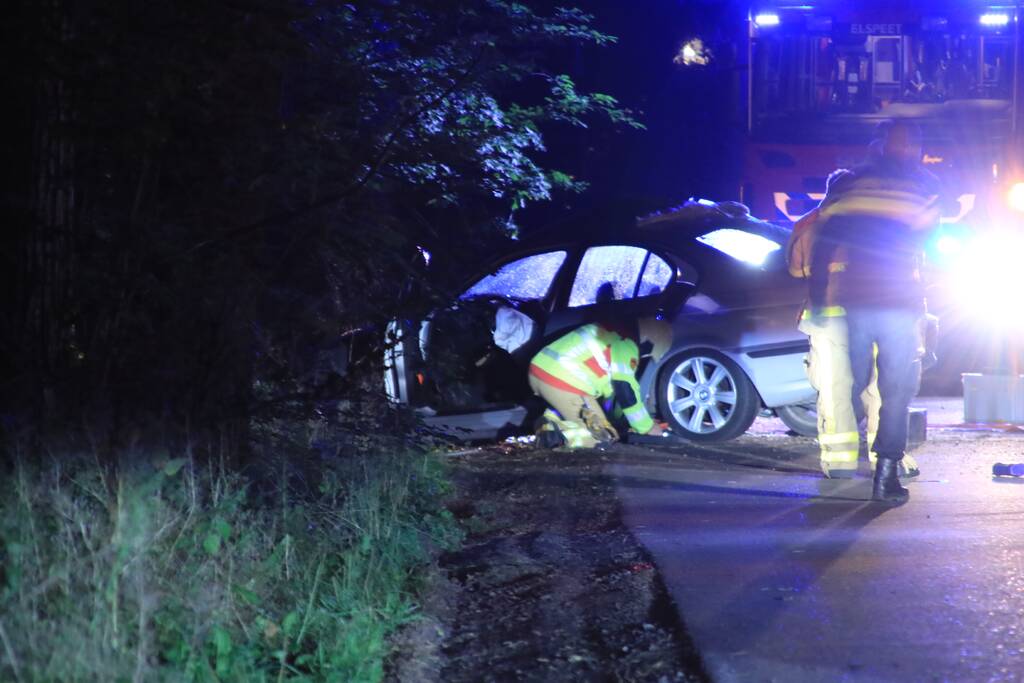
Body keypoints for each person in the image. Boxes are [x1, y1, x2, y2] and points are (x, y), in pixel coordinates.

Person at [810, 120, 941, 503]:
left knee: (853, 382)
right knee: (896, 392)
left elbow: (823, 244)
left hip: (858, 301)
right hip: (899, 304)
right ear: (913, 148)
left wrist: (819, 297)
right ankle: (885, 474)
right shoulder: (923, 189)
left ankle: (847, 443)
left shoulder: (853, 185)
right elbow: (931, 247)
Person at [529, 318, 672, 449]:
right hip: (563, 381)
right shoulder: (626, 345)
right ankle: (557, 435)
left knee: (598, 423)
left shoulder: (610, 331)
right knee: (603, 438)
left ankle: (552, 421)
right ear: (650, 341)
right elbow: (625, 389)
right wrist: (647, 427)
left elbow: (609, 390)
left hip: (540, 370)